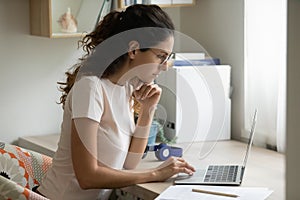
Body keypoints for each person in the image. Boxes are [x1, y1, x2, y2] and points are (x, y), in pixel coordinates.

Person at [37, 4, 195, 200]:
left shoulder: (125, 87)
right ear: (134, 50)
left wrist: (148, 110)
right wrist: (156, 173)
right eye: (160, 56)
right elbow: (87, 177)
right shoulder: (90, 88)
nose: (164, 67)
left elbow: (130, 163)